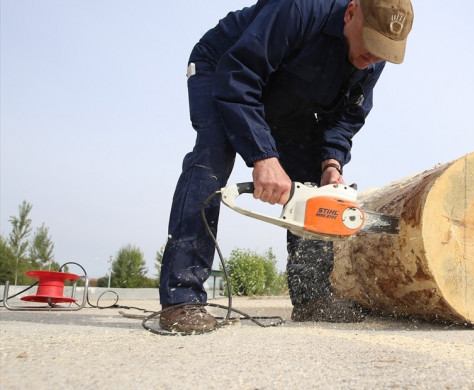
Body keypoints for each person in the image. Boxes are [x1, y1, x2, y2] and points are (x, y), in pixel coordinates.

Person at [158, 0, 414, 332]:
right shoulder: (299, 9)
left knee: (312, 182)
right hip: (225, 67)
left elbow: (345, 117)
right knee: (213, 155)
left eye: (384, 50)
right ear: (351, 12)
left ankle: (312, 299)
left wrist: (331, 164)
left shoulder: (373, 59)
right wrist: (263, 157)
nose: (374, 57)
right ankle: (182, 298)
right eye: (370, 43)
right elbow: (240, 75)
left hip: (288, 97)